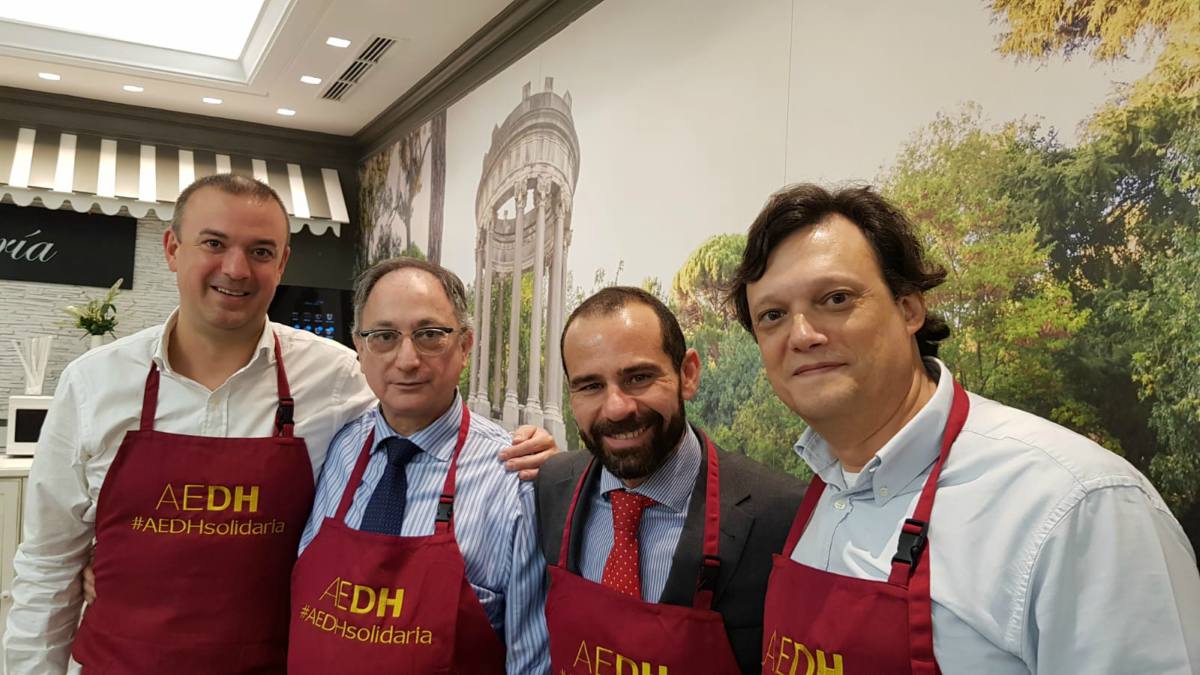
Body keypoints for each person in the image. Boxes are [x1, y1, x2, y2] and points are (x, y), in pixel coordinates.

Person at [4, 174, 556, 675]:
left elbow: (417, 402)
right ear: (173, 249)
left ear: (283, 262)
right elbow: (47, 567)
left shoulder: (335, 376)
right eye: (214, 243)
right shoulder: (93, 383)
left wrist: (523, 449)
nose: (236, 269)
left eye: (260, 251)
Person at [728, 183, 1200, 674]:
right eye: (773, 315)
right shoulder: (826, 489)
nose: (802, 335)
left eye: (836, 298)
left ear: (910, 310)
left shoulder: (1077, 506)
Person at [288, 257, 549, 674]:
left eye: (430, 335)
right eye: (384, 336)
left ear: (465, 346)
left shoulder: (515, 479)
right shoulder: (337, 447)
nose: (407, 359)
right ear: (359, 347)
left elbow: (532, 663)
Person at [536, 286, 804, 674]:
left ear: (688, 374)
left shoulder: (778, 515)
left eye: (639, 377)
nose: (616, 407)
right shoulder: (550, 486)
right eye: (591, 385)